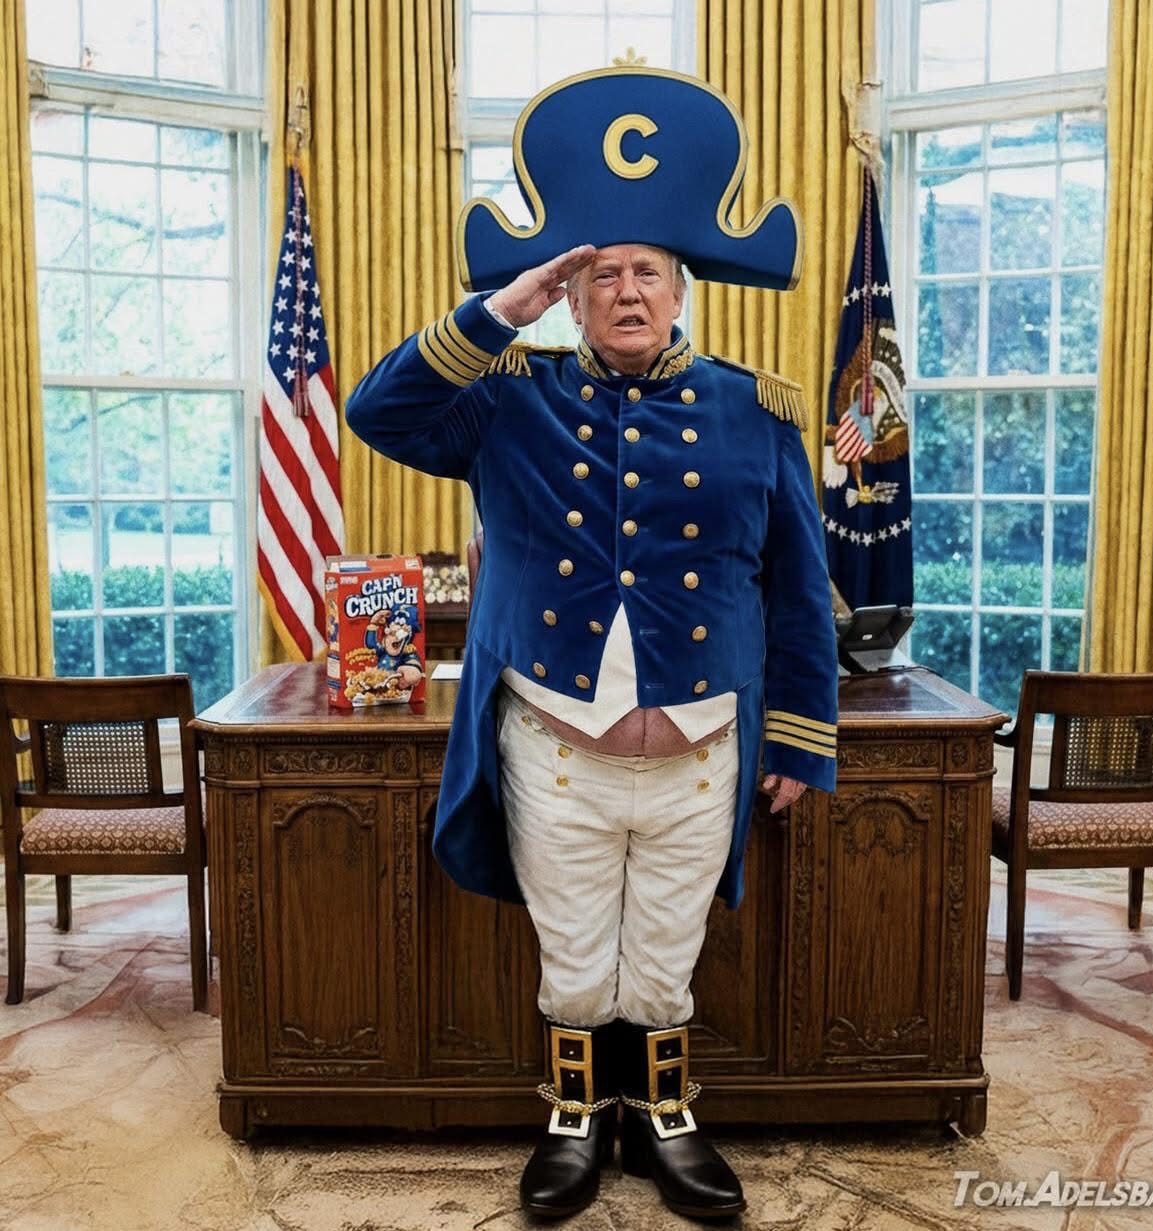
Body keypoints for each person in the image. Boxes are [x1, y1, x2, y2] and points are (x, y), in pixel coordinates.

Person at [346, 68, 839, 1223]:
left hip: (703, 748)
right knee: (573, 954)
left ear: (682, 290)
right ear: (570, 296)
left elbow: (799, 589)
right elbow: (377, 412)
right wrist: (497, 312)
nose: (626, 292)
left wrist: (800, 739)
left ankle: (665, 1119)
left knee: (664, 955)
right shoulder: (504, 396)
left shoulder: (755, 410)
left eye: (647, 273)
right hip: (554, 744)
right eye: (601, 274)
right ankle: (574, 1119)